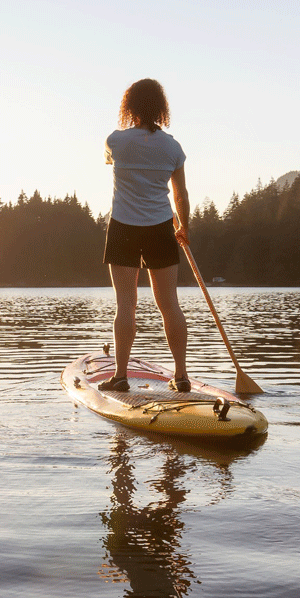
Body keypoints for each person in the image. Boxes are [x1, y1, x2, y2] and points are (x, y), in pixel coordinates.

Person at [98, 78, 191, 393]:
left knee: (126, 304)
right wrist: (184, 227)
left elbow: (110, 161)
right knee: (169, 304)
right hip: (161, 227)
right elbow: (181, 197)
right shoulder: (173, 148)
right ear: (160, 108)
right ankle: (180, 376)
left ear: (131, 107)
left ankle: (121, 376)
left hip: (124, 226)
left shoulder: (115, 141)